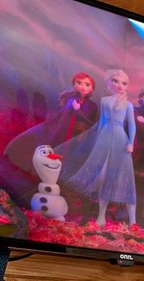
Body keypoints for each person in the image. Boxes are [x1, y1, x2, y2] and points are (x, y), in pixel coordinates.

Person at [54, 68, 138, 225]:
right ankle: (101, 215)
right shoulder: (105, 101)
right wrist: (96, 140)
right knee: (101, 175)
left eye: (124, 83)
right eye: (115, 81)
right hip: (104, 138)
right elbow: (102, 122)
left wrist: (130, 143)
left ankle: (133, 219)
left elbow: (132, 126)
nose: (120, 85)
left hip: (120, 139)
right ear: (109, 83)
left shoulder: (128, 105)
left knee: (124, 176)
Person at [3, 72, 96, 177]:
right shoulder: (70, 99)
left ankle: (56, 174)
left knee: (64, 155)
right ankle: (37, 169)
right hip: (60, 130)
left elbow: (89, 122)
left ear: (92, 89)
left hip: (75, 134)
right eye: (79, 83)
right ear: (74, 85)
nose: (83, 87)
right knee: (47, 149)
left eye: (87, 84)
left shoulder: (92, 106)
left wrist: (78, 110)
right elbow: (62, 117)